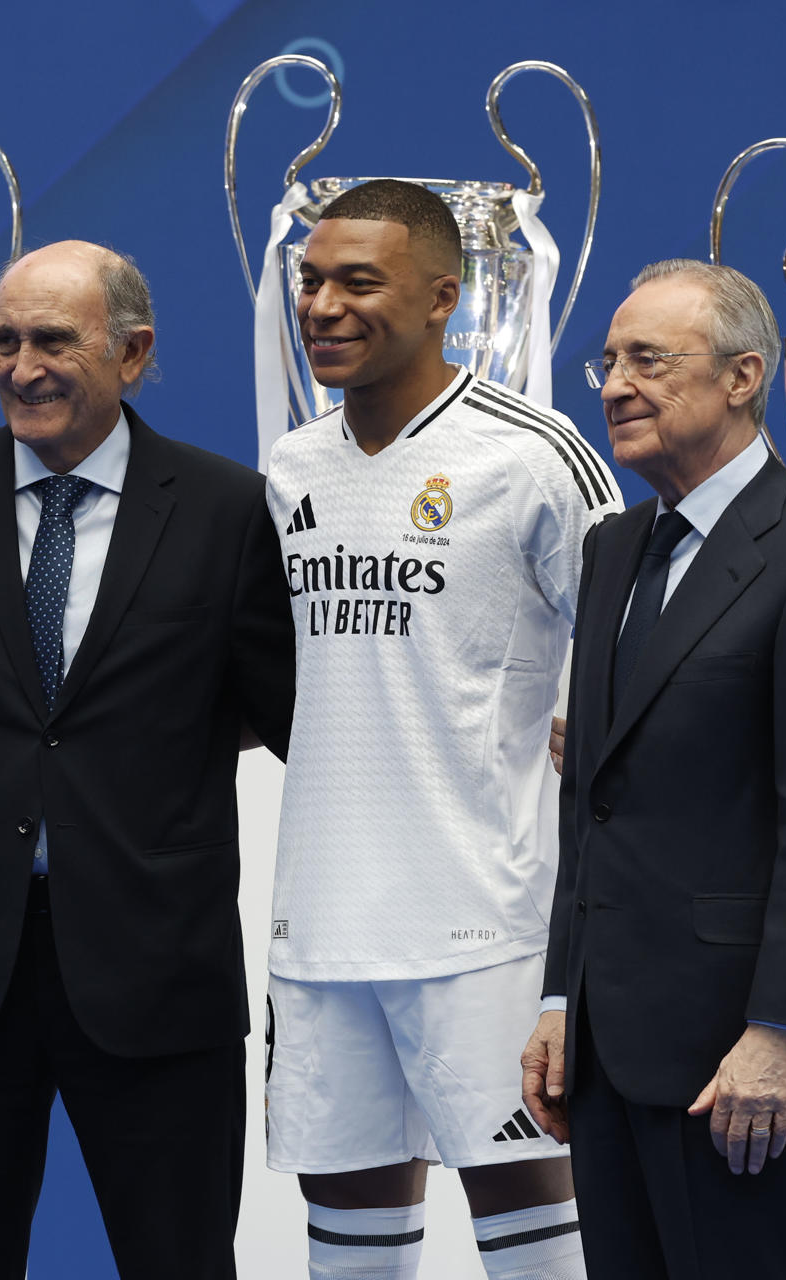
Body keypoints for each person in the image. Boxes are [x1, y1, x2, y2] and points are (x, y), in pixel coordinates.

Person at [0, 239, 295, 1279]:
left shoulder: (226, 510)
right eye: (5, 341)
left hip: (159, 969)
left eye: (52, 341)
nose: (21, 368)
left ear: (133, 352)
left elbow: (296, 718)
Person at [521, 260, 786, 1279]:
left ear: (743, 377)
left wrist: (779, 1030)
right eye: (608, 362)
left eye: (649, 360)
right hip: (607, 1052)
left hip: (737, 1062)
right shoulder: (613, 548)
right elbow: (591, 801)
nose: (615, 386)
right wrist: (561, 998)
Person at [262, 179, 618, 1280]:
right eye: (312, 281)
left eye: (359, 281)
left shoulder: (532, 453)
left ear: (442, 298)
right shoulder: (289, 466)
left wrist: (596, 728)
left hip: (483, 926)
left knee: (537, 1243)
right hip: (321, 930)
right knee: (350, 1250)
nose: (324, 305)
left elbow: (640, 633)